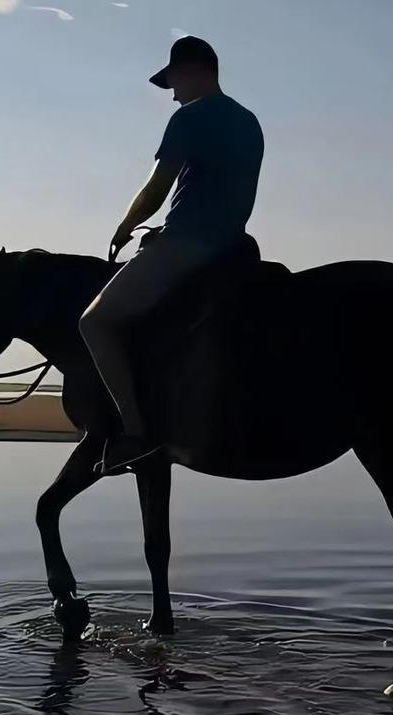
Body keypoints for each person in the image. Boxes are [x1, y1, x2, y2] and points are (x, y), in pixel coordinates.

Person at [78, 35, 264, 475]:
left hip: (188, 246)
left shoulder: (191, 118)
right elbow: (219, 193)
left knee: (96, 322)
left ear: (194, 70)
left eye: (174, 81)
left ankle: (135, 434)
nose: (174, 94)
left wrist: (125, 227)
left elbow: (157, 188)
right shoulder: (249, 121)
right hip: (234, 246)